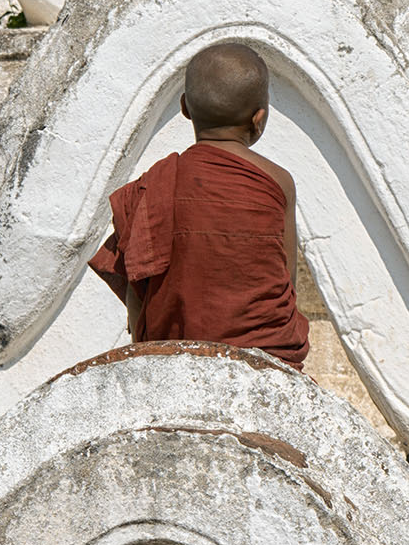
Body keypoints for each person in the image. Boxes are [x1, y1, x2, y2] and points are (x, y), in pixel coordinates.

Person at [89, 41, 310, 367]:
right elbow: (286, 281)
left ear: (185, 108)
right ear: (259, 120)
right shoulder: (277, 181)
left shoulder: (153, 186)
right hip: (265, 358)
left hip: (171, 356)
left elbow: (137, 286)